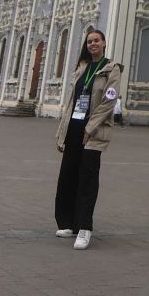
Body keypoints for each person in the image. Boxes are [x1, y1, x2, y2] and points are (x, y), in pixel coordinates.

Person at [53, 28, 124, 250]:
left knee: (87, 179)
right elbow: (72, 100)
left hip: (93, 131)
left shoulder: (112, 69)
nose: (92, 44)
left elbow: (109, 101)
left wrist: (91, 127)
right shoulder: (83, 67)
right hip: (74, 128)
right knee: (68, 176)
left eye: (96, 41)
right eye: (89, 41)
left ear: (104, 43)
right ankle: (68, 223)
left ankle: (84, 228)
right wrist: (62, 133)